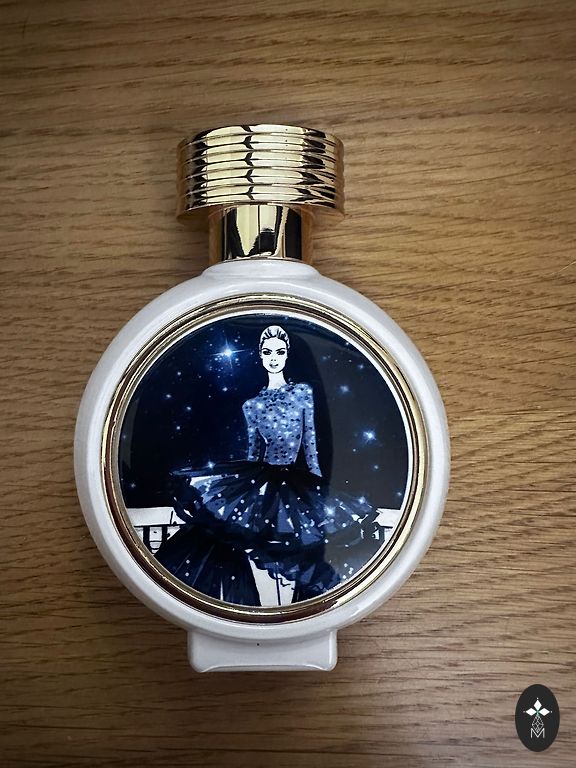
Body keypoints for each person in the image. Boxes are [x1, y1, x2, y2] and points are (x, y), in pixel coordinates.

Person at [155, 325, 382, 606]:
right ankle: (245, 602)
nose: (274, 357)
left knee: (302, 540)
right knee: (228, 535)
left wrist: (319, 485)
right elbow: (254, 451)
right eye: (268, 352)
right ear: (261, 357)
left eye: (279, 352)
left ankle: (295, 605)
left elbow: (309, 442)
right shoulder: (252, 405)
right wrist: (242, 486)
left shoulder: (301, 393)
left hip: (295, 479)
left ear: (286, 355)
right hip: (260, 477)